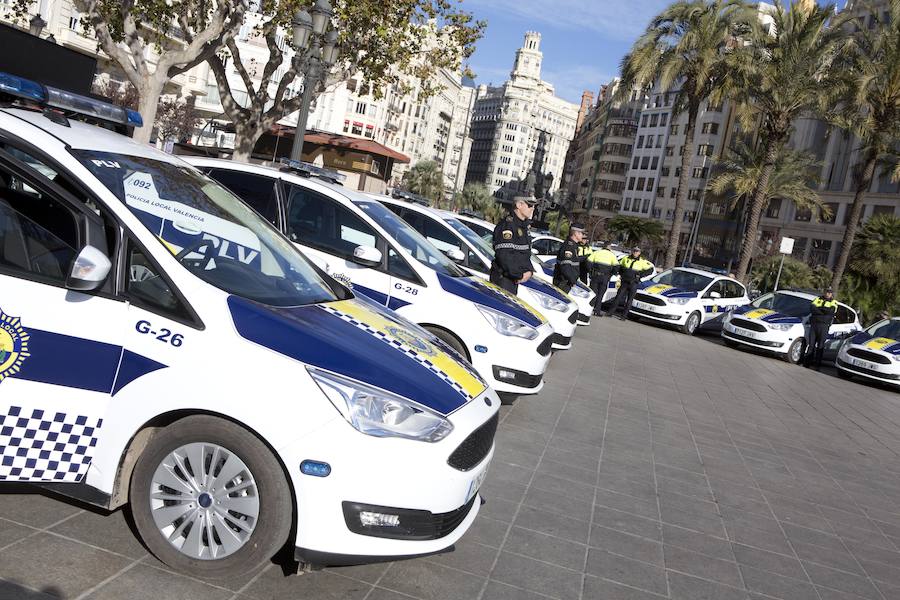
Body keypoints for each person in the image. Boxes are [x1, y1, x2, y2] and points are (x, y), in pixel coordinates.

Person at [490, 197, 536, 294]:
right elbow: (505, 256)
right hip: (503, 280)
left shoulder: (523, 227)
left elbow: (524, 254)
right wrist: (519, 275)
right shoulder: (507, 225)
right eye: (529, 205)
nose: (532, 209)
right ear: (519, 205)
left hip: (513, 280)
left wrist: (529, 270)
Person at [609, 246, 654, 320]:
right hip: (624, 281)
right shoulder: (626, 258)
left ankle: (624, 316)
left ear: (639, 253)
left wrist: (640, 275)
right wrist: (621, 274)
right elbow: (620, 266)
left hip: (633, 283)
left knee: (629, 300)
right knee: (618, 297)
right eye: (634, 251)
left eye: (637, 252)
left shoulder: (642, 261)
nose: (635, 253)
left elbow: (650, 270)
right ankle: (610, 312)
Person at [804, 288, 837, 369]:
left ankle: (817, 365)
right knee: (811, 345)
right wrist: (823, 312)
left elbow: (830, 311)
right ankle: (807, 363)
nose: (827, 294)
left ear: (831, 294)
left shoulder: (834, 302)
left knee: (820, 346)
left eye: (829, 293)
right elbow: (812, 308)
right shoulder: (817, 299)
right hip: (814, 325)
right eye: (826, 292)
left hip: (824, 326)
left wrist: (818, 310)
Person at [587, 241, 619, 316]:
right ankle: (597, 311)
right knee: (600, 294)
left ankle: (589, 309)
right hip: (605, 277)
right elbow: (617, 267)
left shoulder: (597, 252)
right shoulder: (612, 255)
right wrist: (611, 275)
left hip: (595, 276)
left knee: (593, 293)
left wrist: (590, 271)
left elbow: (588, 262)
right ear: (609, 247)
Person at [552, 224, 586, 293]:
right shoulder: (569, 247)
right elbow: (566, 267)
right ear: (576, 233)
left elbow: (573, 261)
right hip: (563, 282)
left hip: (566, 282)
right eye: (582, 233)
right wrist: (572, 279)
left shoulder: (573, 246)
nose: (583, 235)